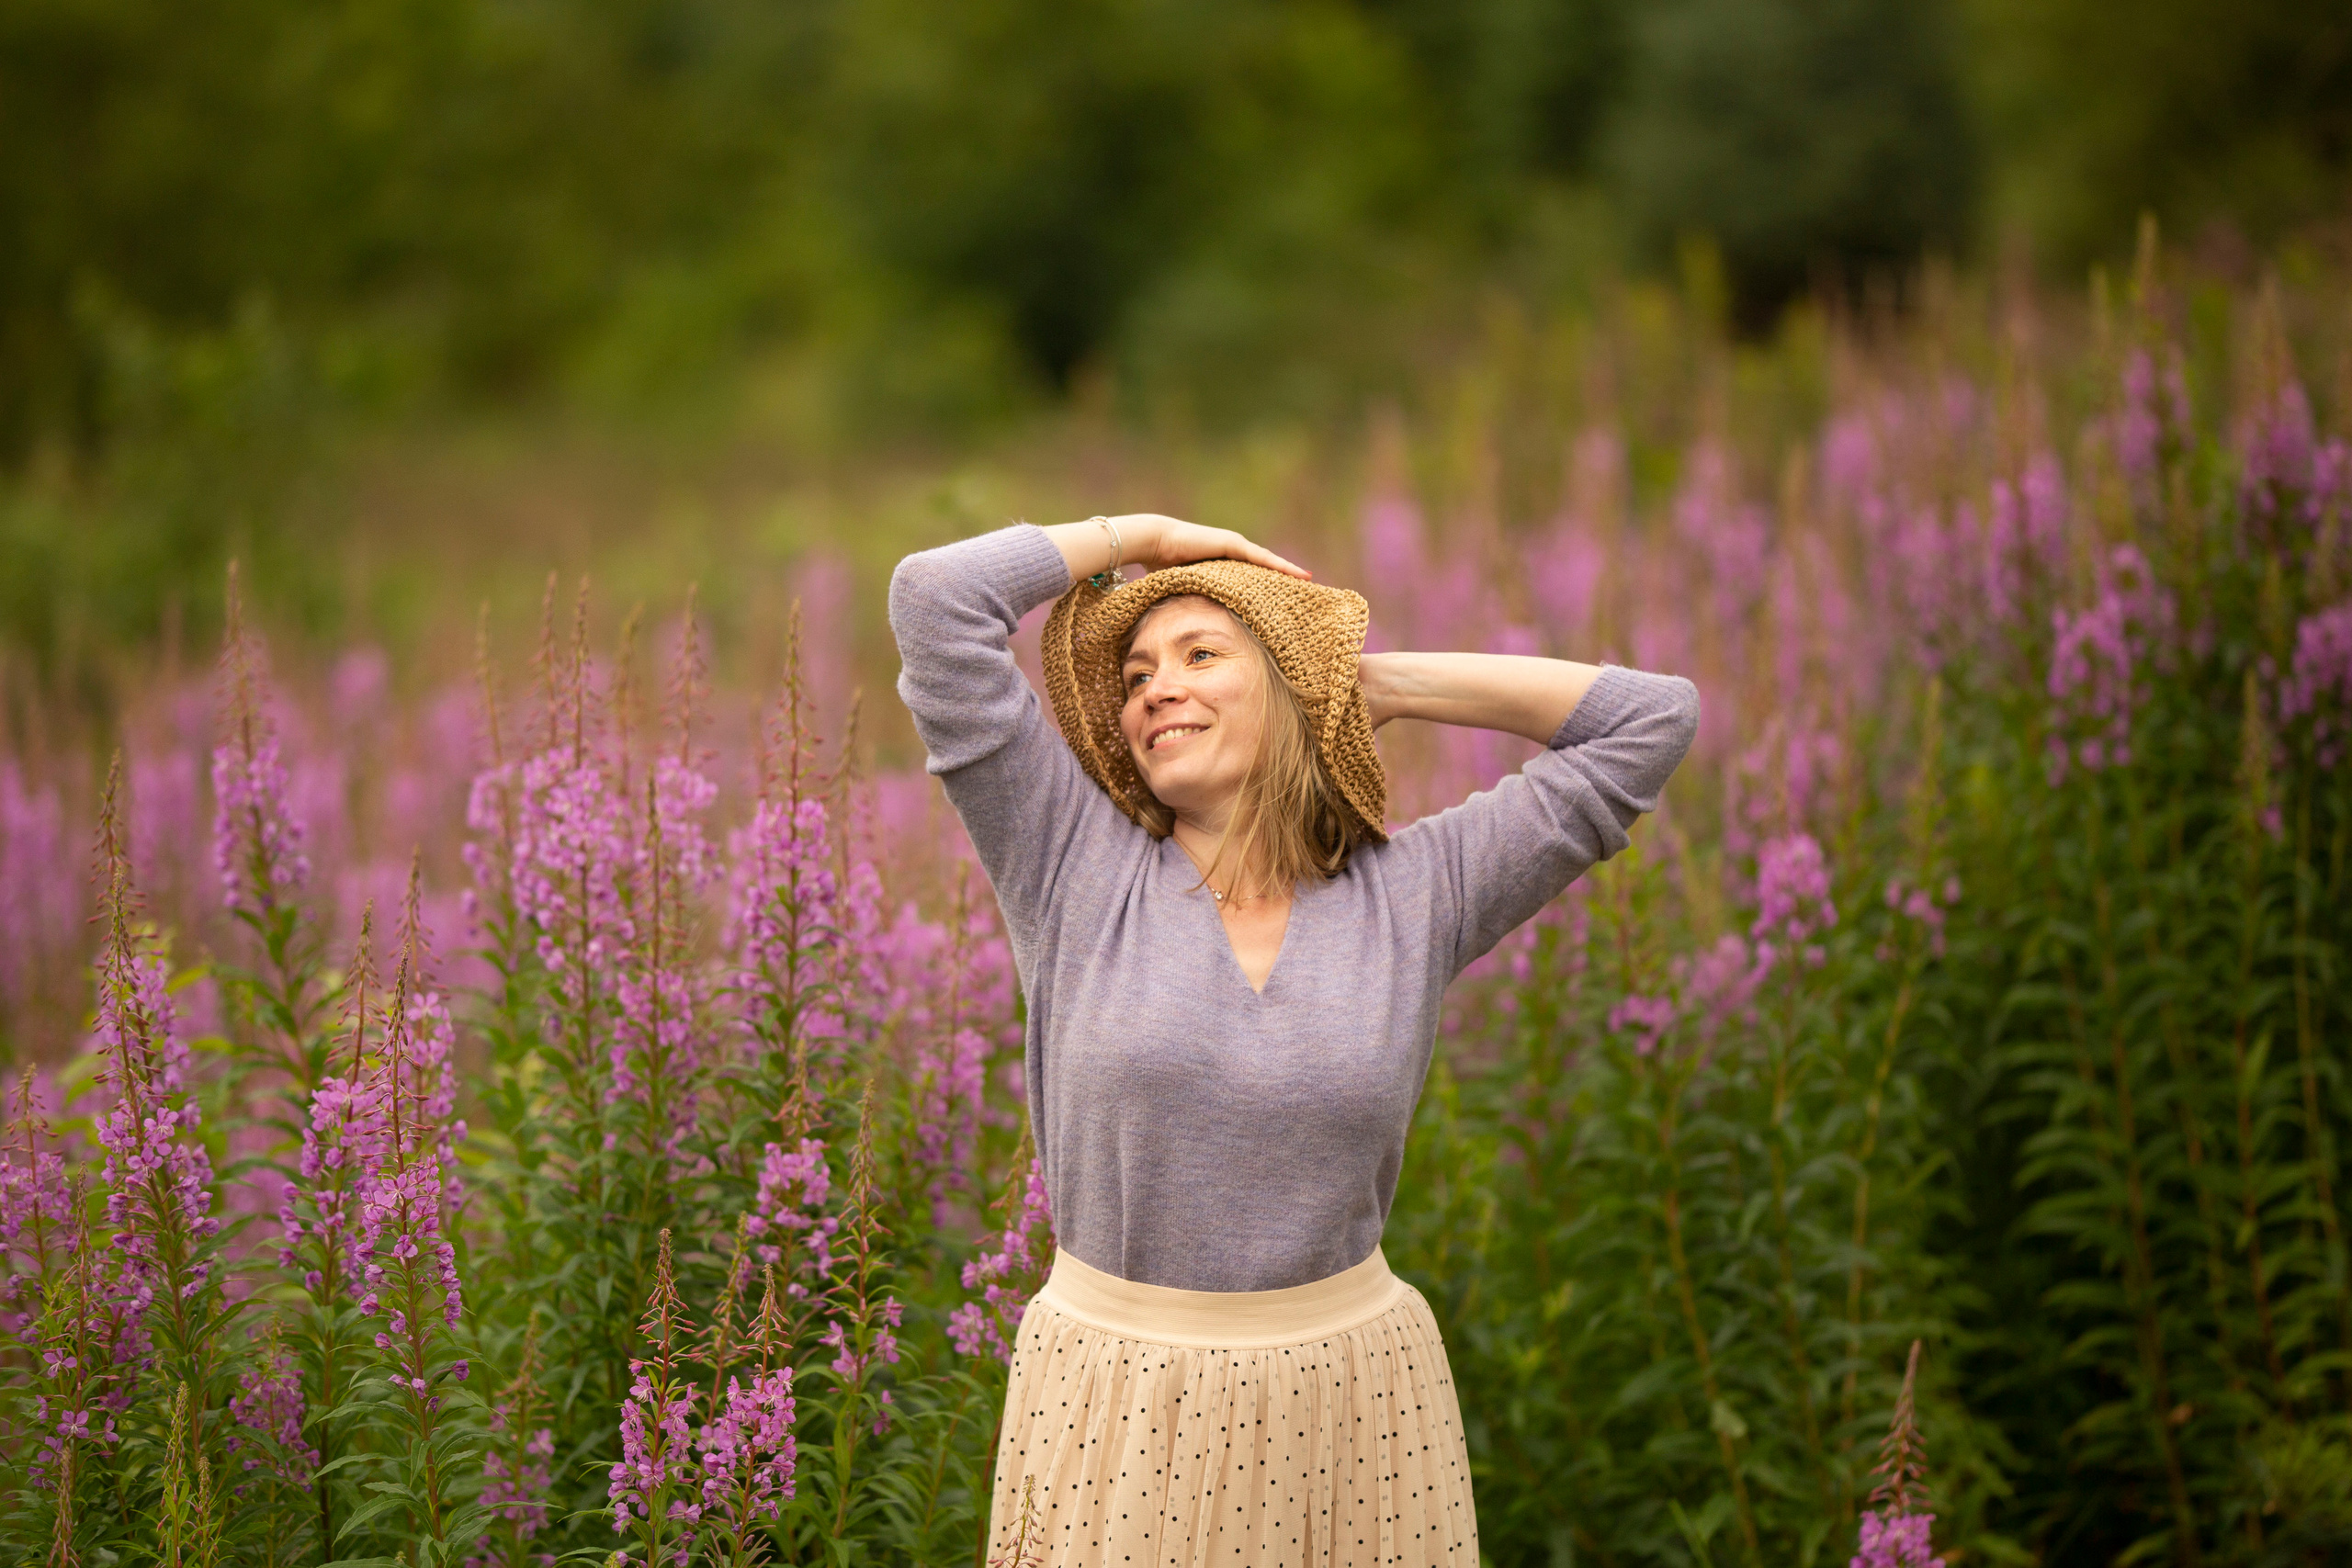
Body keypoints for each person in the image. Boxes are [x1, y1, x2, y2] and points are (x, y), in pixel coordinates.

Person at [889, 513, 1699, 1565]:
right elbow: (933, 600)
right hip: (1121, 1400)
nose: (1154, 690)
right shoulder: (1070, 866)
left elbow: (1651, 720)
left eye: (1200, 655)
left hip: (1351, 1401)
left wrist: (1378, 684)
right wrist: (1145, 533)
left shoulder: (1415, 895)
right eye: (1136, 676)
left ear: (1289, 688)